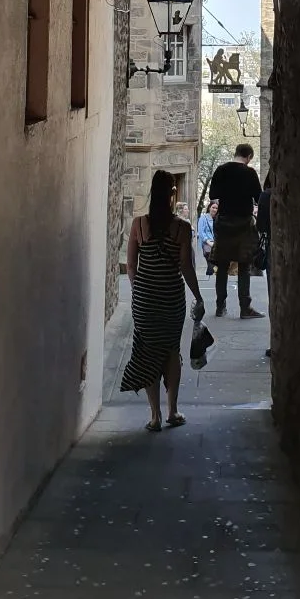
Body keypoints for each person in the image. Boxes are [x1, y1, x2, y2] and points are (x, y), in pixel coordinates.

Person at [121, 170, 204, 431]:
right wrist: (198, 296)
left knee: (147, 352)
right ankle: (173, 411)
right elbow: (186, 267)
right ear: (171, 194)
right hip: (171, 298)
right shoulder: (181, 227)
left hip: (145, 299)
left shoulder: (139, 225)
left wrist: (140, 291)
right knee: (170, 351)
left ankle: (155, 416)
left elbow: (131, 266)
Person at [209, 143, 263, 319]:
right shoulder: (249, 173)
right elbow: (258, 197)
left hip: (224, 222)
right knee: (244, 266)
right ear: (248, 157)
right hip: (243, 224)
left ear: (236, 153)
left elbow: (212, 195)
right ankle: (244, 308)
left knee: (223, 266)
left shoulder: (221, 170)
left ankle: (220, 306)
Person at [256, 172, 272, 356]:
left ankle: (275, 341)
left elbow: (260, 225)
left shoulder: (266, 196)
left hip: (273, 249)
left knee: (274, 292)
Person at [197, 199, 218, 276]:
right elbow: (201, 232)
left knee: (215, 266)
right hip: (208, 244)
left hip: (217, 245)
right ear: (209, 207)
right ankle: (208, 281)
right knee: (211, 265)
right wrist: (208, 242)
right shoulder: (203, 218)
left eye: (216, 208)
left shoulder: (218, 218)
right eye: (213, 207)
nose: (214, 210)